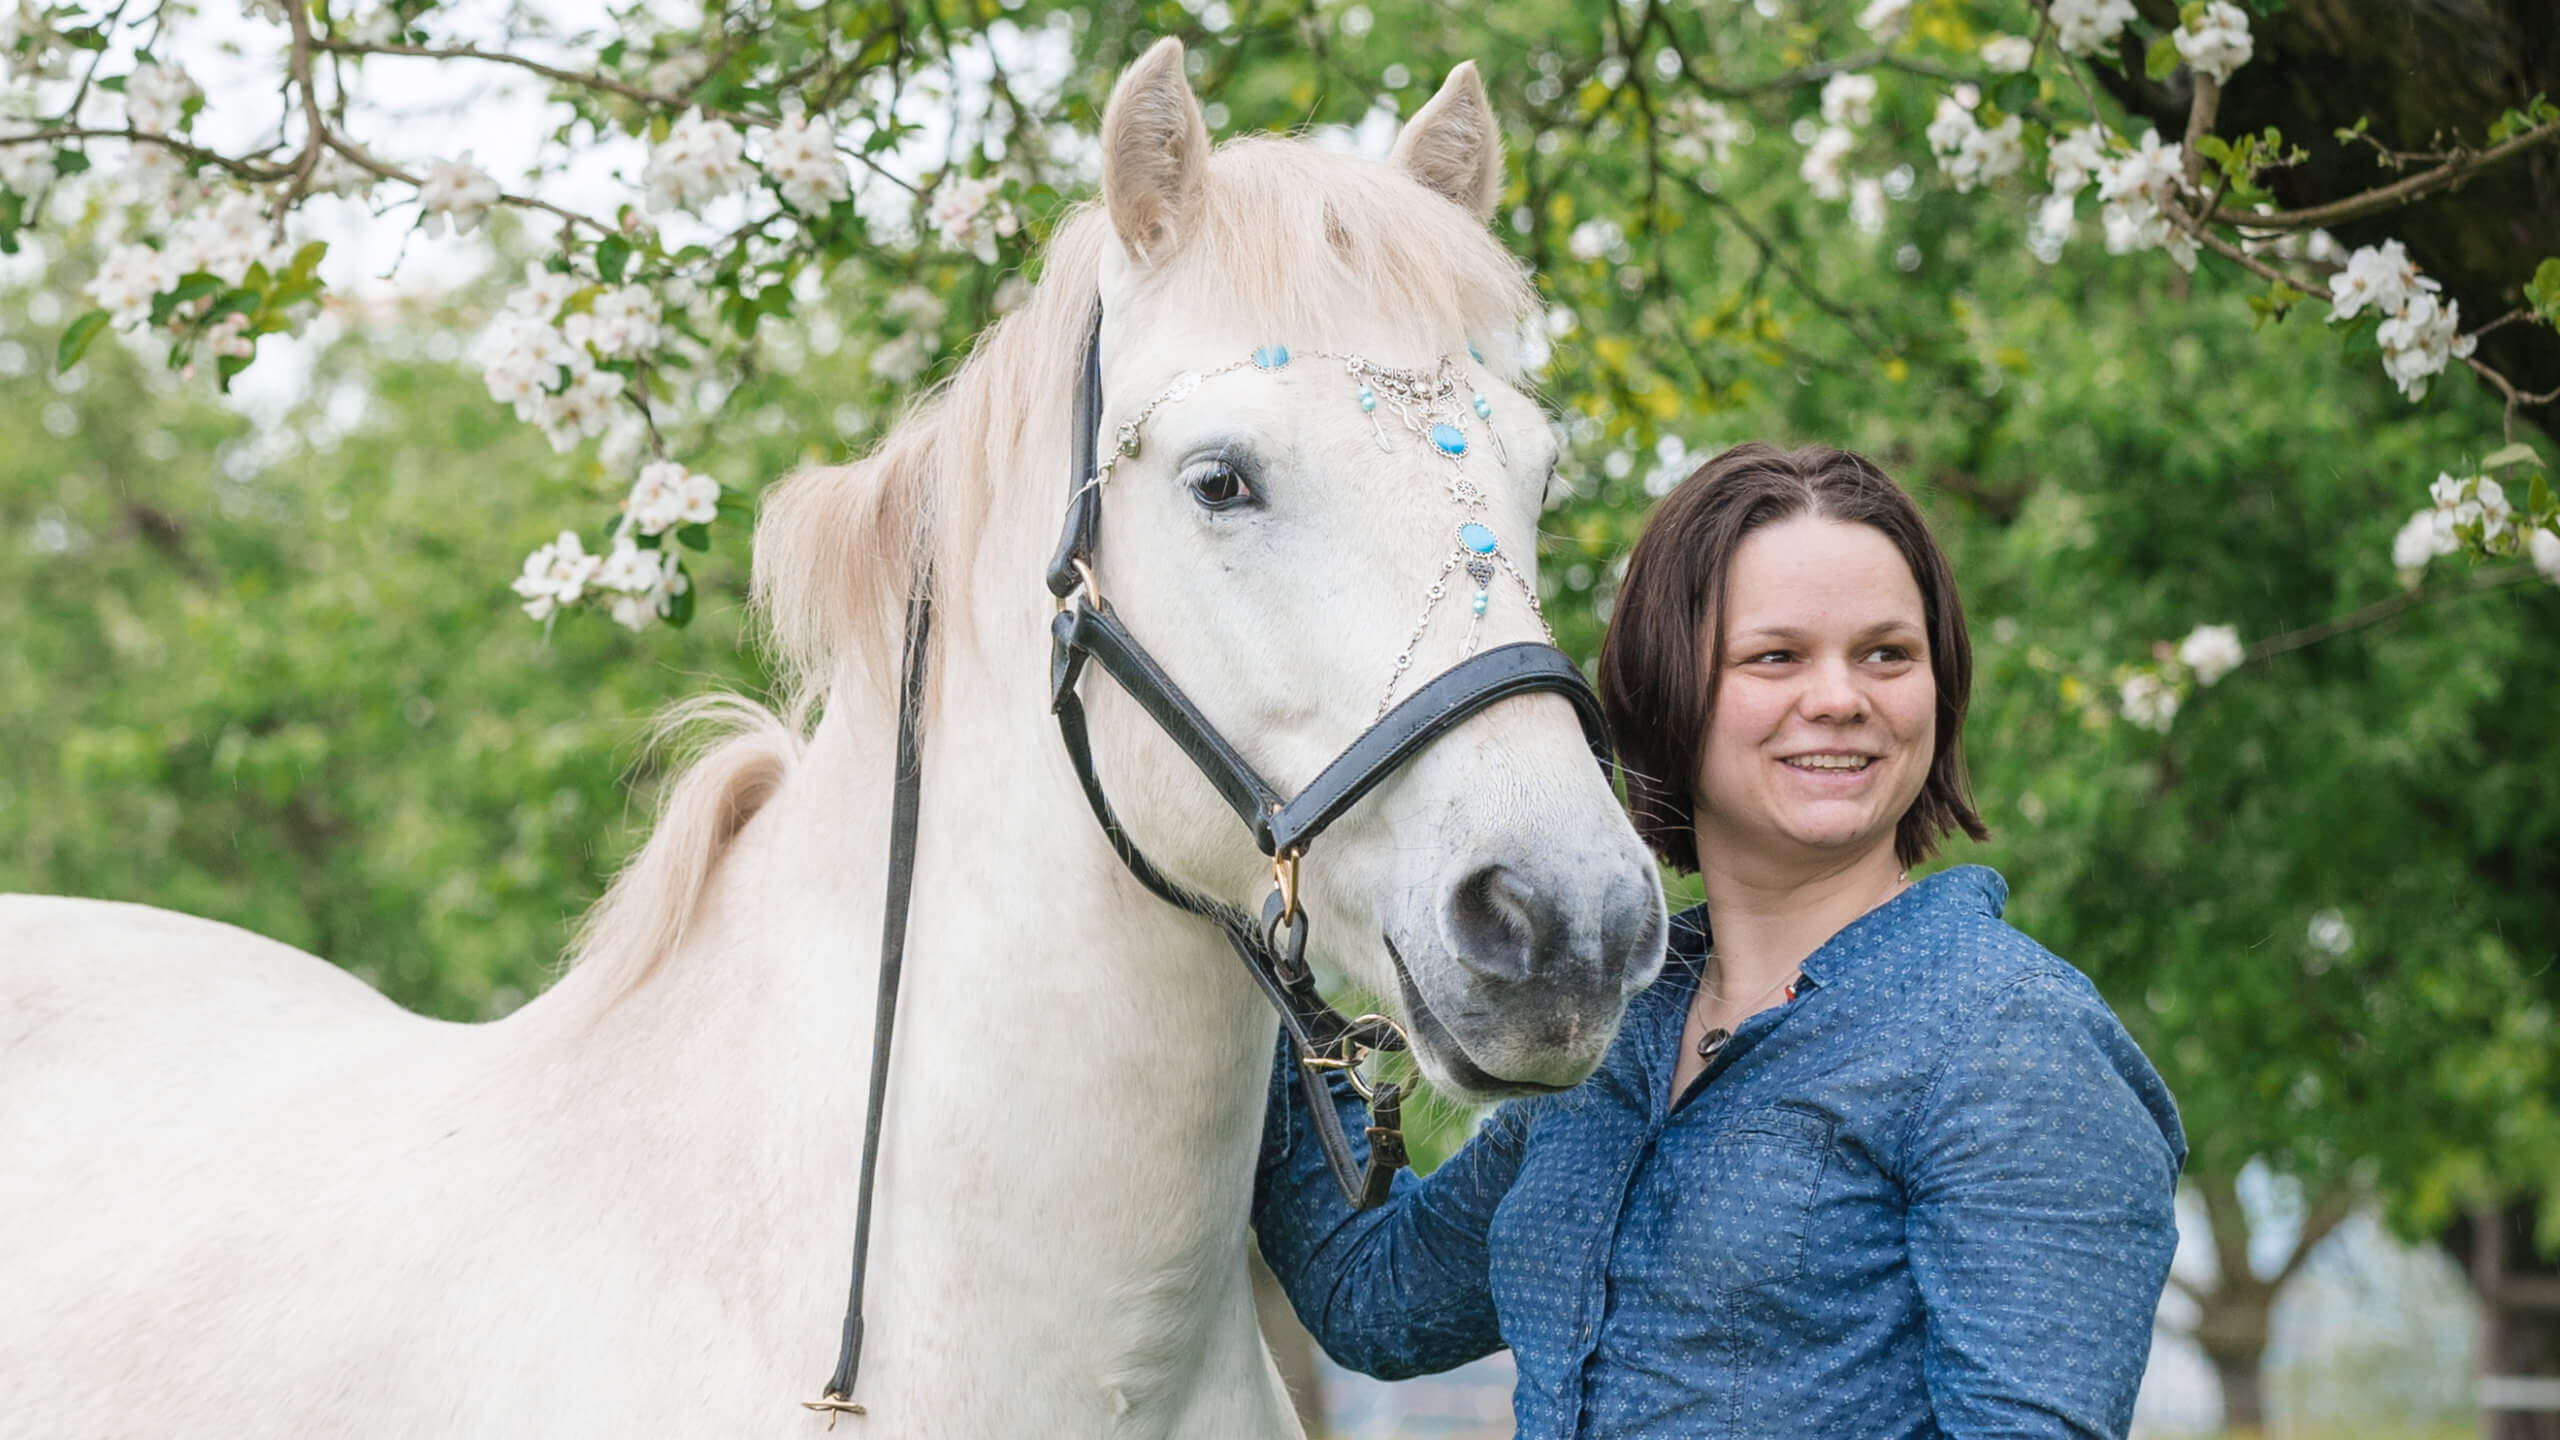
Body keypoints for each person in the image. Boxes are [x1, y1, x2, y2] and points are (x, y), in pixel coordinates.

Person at [1253, 442, 2185, 1438]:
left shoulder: (2014, 1043)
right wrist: (1249, 913)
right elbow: (1379, 1298)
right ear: (1665, 687)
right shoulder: (1615, 1025)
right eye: (1774, 657)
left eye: (1887, 655)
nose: (1839, 698)